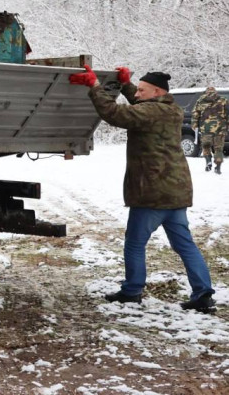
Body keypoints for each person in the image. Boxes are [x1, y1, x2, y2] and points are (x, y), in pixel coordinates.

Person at [69, 65, 215, 311]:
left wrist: (94, 86)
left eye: (142, 90)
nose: (137, 93)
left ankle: (132, 290)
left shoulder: (151, 112)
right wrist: (127, 85)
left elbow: (115, 113)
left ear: (156, 91)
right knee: (185, 245)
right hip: (176, 191)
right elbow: (141, 107)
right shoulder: (172, 109)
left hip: (152, 192)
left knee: (135, 243)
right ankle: (203, 294)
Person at [191, 86, 229, 174]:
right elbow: (228, 113)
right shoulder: (223, 100)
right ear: (216, 92)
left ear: (206, 92)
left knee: (206, 146)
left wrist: (194, 124)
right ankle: (218, 167)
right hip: (220, 129)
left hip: (205, 129)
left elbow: (195, 113)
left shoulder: (200, 100)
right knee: (218, 148)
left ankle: (208, 162)